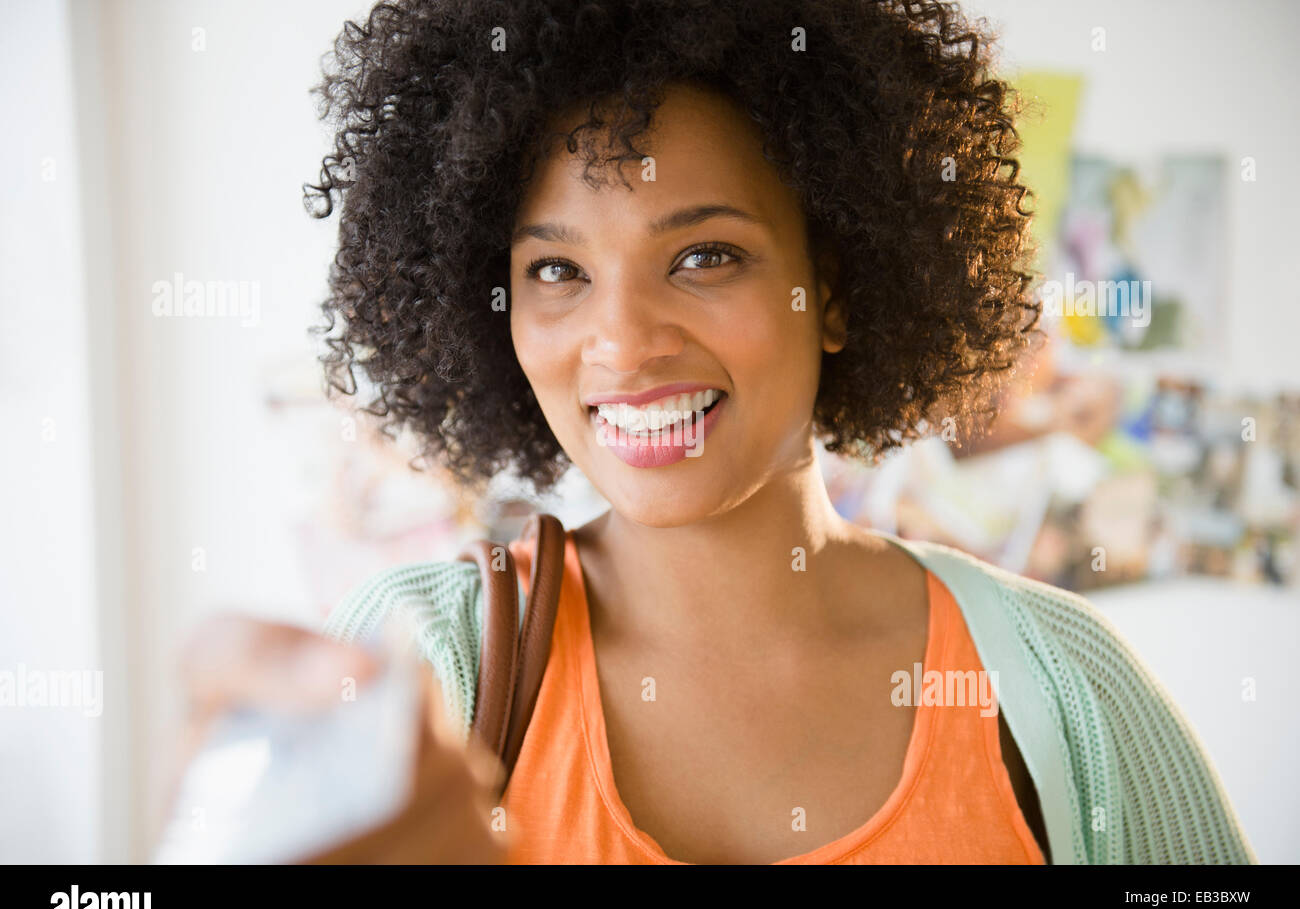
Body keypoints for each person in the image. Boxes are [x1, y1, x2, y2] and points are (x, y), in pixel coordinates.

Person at [172, 0, 1254, 865]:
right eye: (557, 271)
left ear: (830, 287)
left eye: (703, 256)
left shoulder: (1059, 690)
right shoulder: (434, 666)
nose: (625, 343)